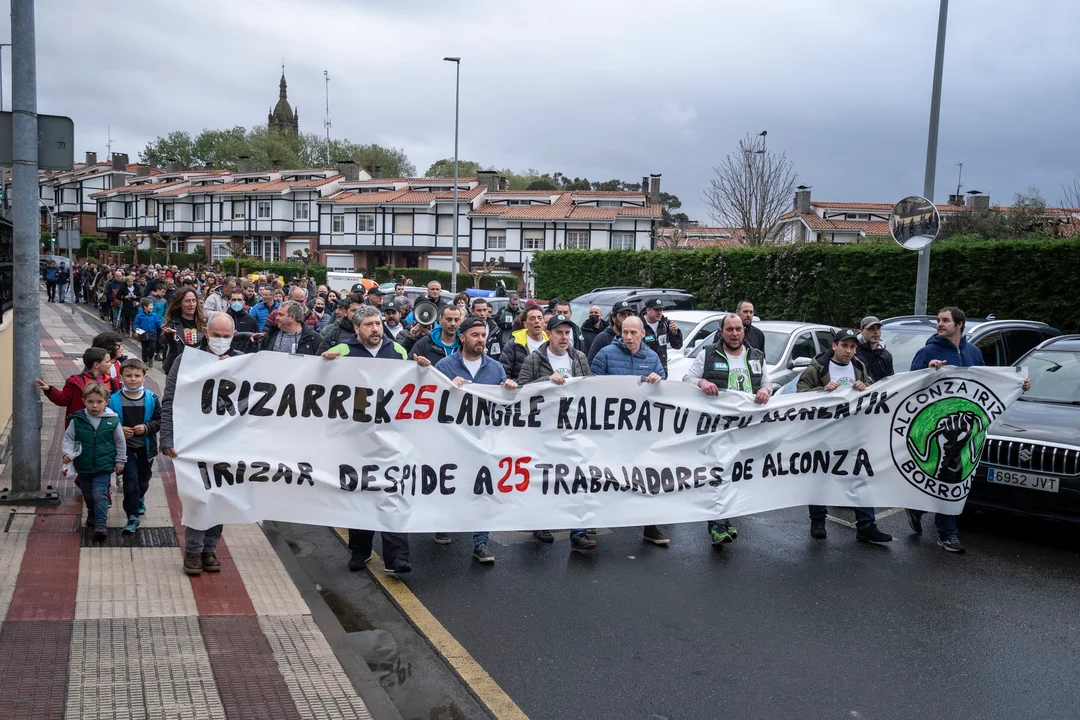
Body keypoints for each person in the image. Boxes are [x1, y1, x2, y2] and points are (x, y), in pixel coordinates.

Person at [905, 307, 1030, 553]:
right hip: (938, 425)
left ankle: (918, 508)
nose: (940, 324)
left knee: (954, 477)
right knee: (948, 476)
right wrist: (928, 370)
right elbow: (909, 385)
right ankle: (947, 534)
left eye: (945, 320)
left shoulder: (973, 352)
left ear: (959, 324)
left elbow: (985, 381)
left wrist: (1019, 384)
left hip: (967, 428)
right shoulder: (928, 352)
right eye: (938, 320)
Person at [321, 306, 411, 573]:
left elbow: (411, 384)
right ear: (356, 328)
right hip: (356, 436)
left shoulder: (398, 351)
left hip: (391, 434)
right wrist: (324, 363)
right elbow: (322, 380)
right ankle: (360, 550)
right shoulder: (343, 350)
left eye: (378, 324)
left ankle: (397, 556)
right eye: (369, 325)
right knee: (360, 492)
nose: (375, 329)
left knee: (393, 492)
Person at [161, 312, 243, 576]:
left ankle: (210, 549)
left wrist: (235, 371)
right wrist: (167, 437)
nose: (221, 340)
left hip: (226, 445)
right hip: (193, 442)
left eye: (226, 336)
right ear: (206, 334)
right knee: (199, 497)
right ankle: (194, 551)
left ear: (233, 335)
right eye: (216, 335)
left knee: (219, 497)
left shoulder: (243, 362)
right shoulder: (186, 360)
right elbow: (170, 399)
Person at [431, 316, 518, 563]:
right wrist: (447, 386)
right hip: (453, 440)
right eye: (475, 335)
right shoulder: (445, 366)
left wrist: (508, 388)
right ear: (462, 338)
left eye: (483, 336)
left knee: (483, 489)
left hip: (484, 440)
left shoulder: (495, 367)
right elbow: (431, 399)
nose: (480, 340)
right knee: (451, 485)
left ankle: (480, 542)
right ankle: (443, 523)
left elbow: (503, 403)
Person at [797, 328, 892, 544]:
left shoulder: (858, 366)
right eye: (844, 346)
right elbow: (800, 391)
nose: (848, 351)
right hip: (823, 432)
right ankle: (818, 521)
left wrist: (865, 387)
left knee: (860, 475)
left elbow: (872, 391)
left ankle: (866, 525)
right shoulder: (819, 366)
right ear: (834, 346)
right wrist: (821, 390)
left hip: (853, 432)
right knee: (820, 476)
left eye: (852, 347)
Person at [683, 313, 771, 546]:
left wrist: (765, 390)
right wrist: (701, 382)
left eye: (738, 329)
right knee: (717, 473)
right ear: (721, 332)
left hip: (745, 428)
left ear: (744, 331)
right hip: (717, 428)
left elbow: (767, 382)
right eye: (729, 329)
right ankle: (716, 524)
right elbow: (688, 378)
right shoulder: (708, 354)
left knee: (734, 476)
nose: (734, 334)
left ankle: (725, 518)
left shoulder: (756, 356)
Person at [518, 314, 597, 550]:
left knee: (576, 477)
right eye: (559, 333)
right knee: (543, 477)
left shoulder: (578, 357)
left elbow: (589, 385)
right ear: (549, 334)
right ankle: (541, 523)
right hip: (544, 429)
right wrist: (546, 380)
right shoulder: (535, 358)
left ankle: (578, 531)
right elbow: (521, 389)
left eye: (567, 333)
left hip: (572, 427)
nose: (564, 337)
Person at [590, 316, 669, 545]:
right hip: (610, 428)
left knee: (646, 475)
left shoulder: (652, 357)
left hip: (641, 430)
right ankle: (594, 518)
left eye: (634, 332)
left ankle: (650, 526)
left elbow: (665, 390)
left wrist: (658, 380)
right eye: (625, 332)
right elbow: (590, 386)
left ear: (643, 334)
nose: (628, 337)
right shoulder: (605, 354)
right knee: (603, 472)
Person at [63, 382, 126, 542]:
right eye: (90, 401)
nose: (95, 405)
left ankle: (100, 524)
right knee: (88, 494)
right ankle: (92, 514)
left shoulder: (112, 420)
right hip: (83, 465)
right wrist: (67, 453)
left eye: (99, 401)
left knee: (99, 493)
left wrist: (120, 461)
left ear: (107, 402)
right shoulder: (77, 420)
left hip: (104, 465)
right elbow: (68, 438)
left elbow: (120, 442)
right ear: (84, 401)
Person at [107, 359, 161, 535]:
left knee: (144, 479)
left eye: (137, 376)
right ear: (121, 377)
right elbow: (106, 422)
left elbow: (159, 421)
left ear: (144, 378)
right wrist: (119, 429)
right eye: (128, 375)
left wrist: (146, 428)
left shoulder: (152, 399)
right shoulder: (113, 400)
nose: (133, 379)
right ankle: (132, 516)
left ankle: (140, 498)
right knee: (130, 480)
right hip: (125, 449)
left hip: (146, 448)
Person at [36, 347, 120, 420]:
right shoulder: (75, 381)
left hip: (105, 426)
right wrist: (49, 390)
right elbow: (63, 399)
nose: (110, 364)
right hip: (80, 425)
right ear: (96, 365)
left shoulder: (112, 382)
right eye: (107, 361)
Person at [160, 287, 206, 374]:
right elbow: (162, 340)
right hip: (176, 370)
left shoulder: (204, 323)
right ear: (179, 303)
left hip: (198, 369)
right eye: (187, 301)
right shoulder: (172, 323)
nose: (191, 304)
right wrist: (169, 335)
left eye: (193, 301)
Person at [501, 306, 547, 381]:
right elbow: (503, 372)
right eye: (532, 319)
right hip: (521, 386)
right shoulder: (513, 344)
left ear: (544, 322)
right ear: (525, 324)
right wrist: (510, 383)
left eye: (540, 318)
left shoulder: (551, 343)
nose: (537, 321)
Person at [639, 298, 684, 371]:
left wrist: (675, 333)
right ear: (648, 310)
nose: (659, 313)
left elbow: (677, 346)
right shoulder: (638, 324)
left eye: (661, 310)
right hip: (644, 368)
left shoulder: (666, 324)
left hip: (661, 368)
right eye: (656, 310)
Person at [855, 316, 894, 383]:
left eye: (878, 328)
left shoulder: (886, 355)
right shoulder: (854, 353)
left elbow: (890, 381)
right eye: (871, 328)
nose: (876, 332)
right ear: (862, 331)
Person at [132, 298, 162, 368]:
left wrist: (162, 326)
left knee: (152, 348)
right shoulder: (139, 315)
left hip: (152, 334)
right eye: (151, 305)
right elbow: (135, 323)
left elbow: (158, 323)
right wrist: (136, 327)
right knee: (144, 349)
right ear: (145, 307)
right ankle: (144, 361)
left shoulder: (154, 315)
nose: (152, 307)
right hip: (143, 335)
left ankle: (150, 358)